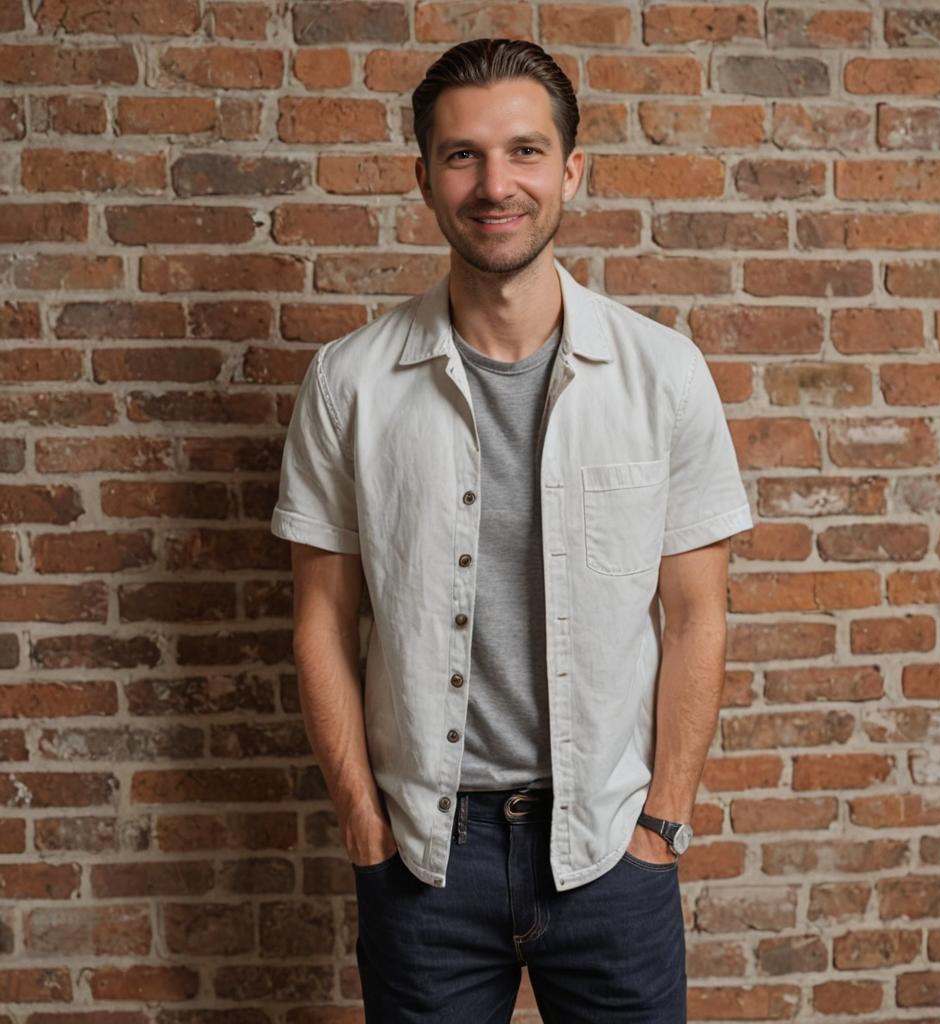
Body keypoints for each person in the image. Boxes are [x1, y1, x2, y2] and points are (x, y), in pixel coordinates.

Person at [270, 36, 752, 1024]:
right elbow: (320, 616)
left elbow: (697, 615)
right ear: (423, 178)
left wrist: (660, 821)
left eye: (525, 152)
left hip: (611, 847)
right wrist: (365, 825)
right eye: (463, 155)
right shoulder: (350, 383)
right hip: (423, 860)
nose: (496, 184)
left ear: (571, 171)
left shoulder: (663, 373)